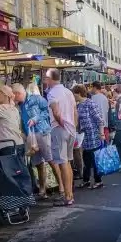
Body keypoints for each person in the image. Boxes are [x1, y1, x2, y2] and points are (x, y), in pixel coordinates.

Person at [12, 83, 64, 200]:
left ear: (17, 94)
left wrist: (36, 119)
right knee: (38, 163)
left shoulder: (37, 99)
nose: (13, 98)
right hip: (30, 136)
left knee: (51, 160)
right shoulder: (19, 105)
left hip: (42, 132)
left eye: (13, 96)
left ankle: (61, 187)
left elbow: (47, 112)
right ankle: (42, 189)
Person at [44, 68, 77, 207]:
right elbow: (75, 112)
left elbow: (56, 112)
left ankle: (67, 196)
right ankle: (70, 194)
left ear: (50, 79)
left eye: (46, 78)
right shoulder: (68, 92)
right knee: (68, 161)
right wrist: (73, 127)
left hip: (59, 129)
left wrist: (62, 123)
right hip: (70, 130)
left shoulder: (52, 93)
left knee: (62, 162)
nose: (45, 81)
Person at [72, 85, 106, 189]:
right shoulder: (79, 105)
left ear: (78, 93)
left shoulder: (90, 104)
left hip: (93, 135)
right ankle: (86, 180)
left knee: (94, 159)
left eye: (74, 94)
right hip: (84, 136)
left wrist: (101, 134)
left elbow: (100, 120)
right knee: (86, 159)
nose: (73, 96)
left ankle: (98, 180)